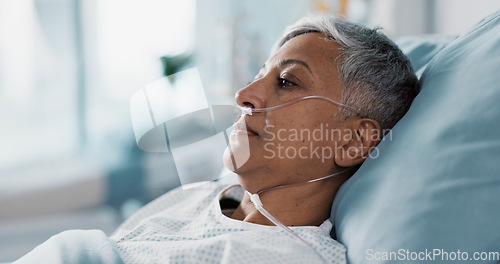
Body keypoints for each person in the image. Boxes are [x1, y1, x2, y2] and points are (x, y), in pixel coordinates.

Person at [15, 16, 417, 264]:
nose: (245, 93)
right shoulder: (203, 198)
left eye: (286, 81)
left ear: (352, 142)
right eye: (259, 73)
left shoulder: (283, 258)